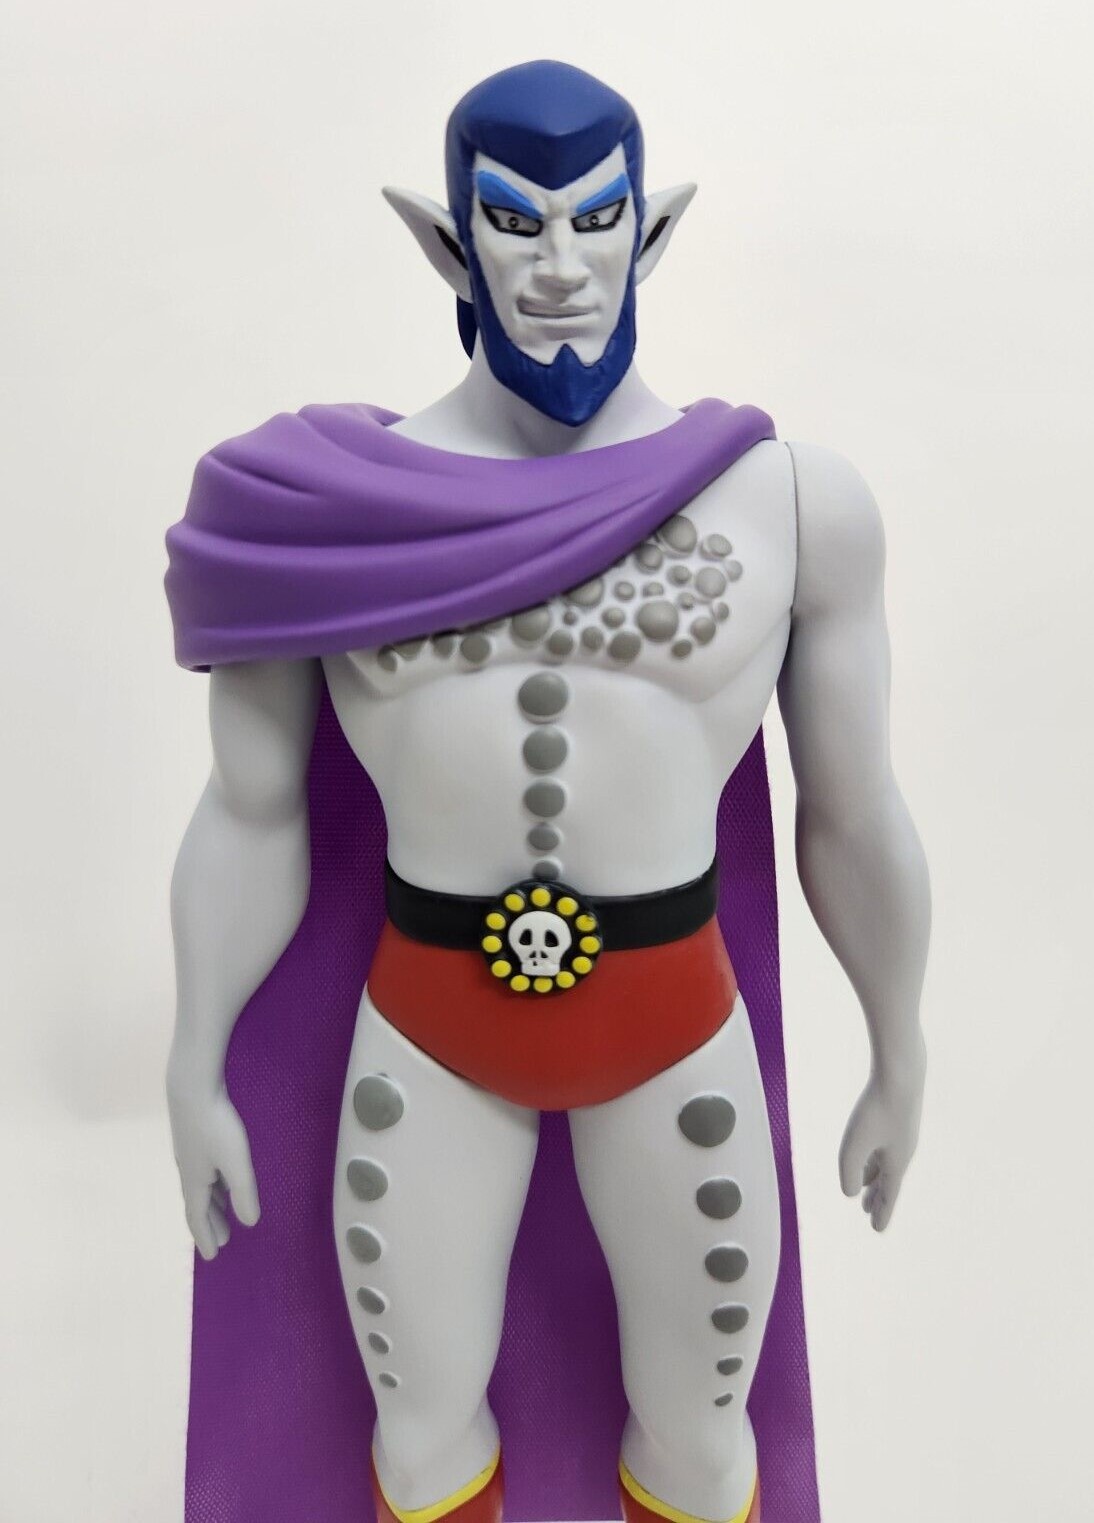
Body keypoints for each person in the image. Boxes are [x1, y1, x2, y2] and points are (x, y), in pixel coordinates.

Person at [165, 59, 929, 1523]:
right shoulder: (316, 512)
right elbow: (248, 809)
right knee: (416, 1432)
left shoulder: (787, 502)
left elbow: (852, 811)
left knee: (702, 1436)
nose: (562, 267)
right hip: (427, 1030)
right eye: (517, 223)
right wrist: (193, 1058)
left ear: (653, 228)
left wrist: (900, 1045)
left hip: (673, 1027)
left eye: (596, 219)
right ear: (449, 241)